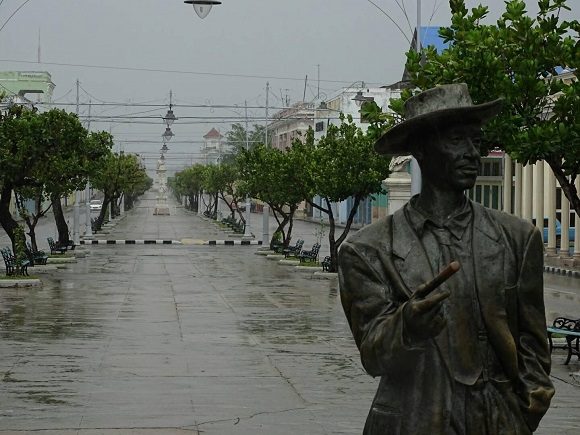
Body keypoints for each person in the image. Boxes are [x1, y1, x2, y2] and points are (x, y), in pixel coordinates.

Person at [338, 83, 554, 435]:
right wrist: (407, 324)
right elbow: (372, 355)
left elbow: (533, 344)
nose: (472, 153)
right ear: (422, 148)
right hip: (412, 419)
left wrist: (524, 412)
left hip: (499, 421)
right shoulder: (368, 250)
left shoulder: (517, 238)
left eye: (475, 141)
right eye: (457, 141)